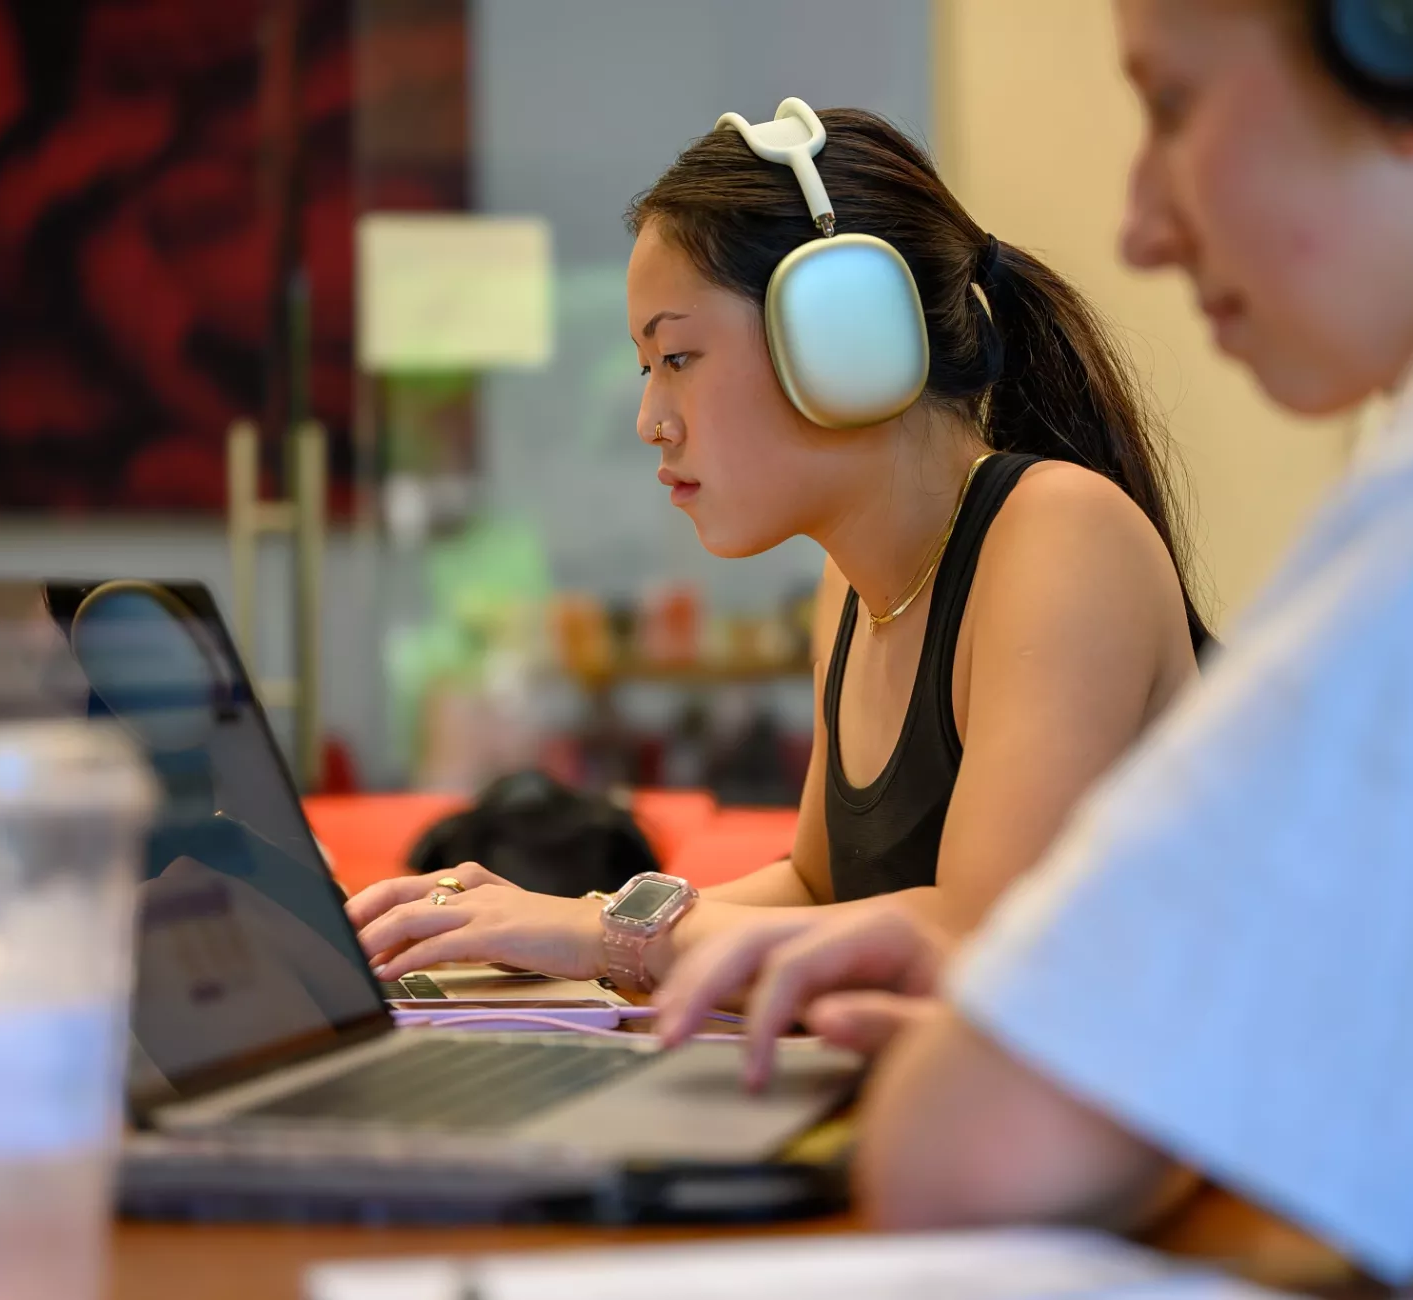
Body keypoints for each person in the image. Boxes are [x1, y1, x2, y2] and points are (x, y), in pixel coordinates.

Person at [654, 1, 1413, 1293]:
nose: (1141, 227)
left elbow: (969, 1154)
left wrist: (1071, 1046)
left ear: (1411, 35)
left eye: (1173, 105)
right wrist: (1091, 1025)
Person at [345, 107, 1209, 990]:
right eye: (647, 368)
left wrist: (600, 936)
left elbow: (975, 936)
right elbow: (814, 890)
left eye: (677, 357)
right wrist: (563, 925)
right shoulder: (855, 585)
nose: (650, 421)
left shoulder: (1060, 536)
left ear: (845, 336)